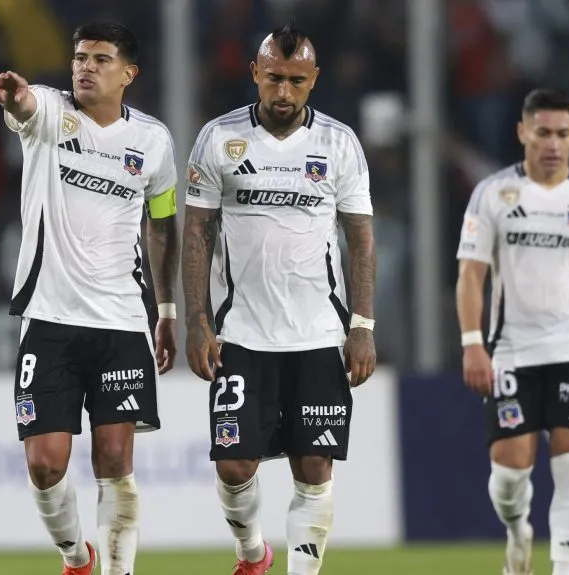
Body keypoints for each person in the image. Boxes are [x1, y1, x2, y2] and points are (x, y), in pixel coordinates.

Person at [181, 23, 377, 575]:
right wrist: (197, 320)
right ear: (255, 75)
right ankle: (252, 554)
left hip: (318, 333)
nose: (283, 92)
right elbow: (196, 232)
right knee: (234, 464)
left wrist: (362, 324)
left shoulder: (339, 143)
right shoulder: (219, 138)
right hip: (241, 332)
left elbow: (360, 236)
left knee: (314, 466)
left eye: (296, 80)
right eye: (273, 79)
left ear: (313, 81)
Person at [0, 21, 179, 575]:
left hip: (121, 320)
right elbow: (25, 106)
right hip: (48, 317)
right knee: (46, 465)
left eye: (100, 59)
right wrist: (16, 96)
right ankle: (76, 555)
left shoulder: (153, 141)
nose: (85, 68)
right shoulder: (51, 113)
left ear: (129, 73)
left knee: (115, 459)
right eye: (79, 57)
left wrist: (166, 312)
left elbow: (163, 222)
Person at [455, 88, 569, 575]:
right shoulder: (493, 194)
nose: (553, 143)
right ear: (523, 133)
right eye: (543, 133)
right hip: (512, 350)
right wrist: (473, 345)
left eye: (562, 133)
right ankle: (518, 531)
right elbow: (470, 276)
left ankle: (561, 570)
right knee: (510, 475)